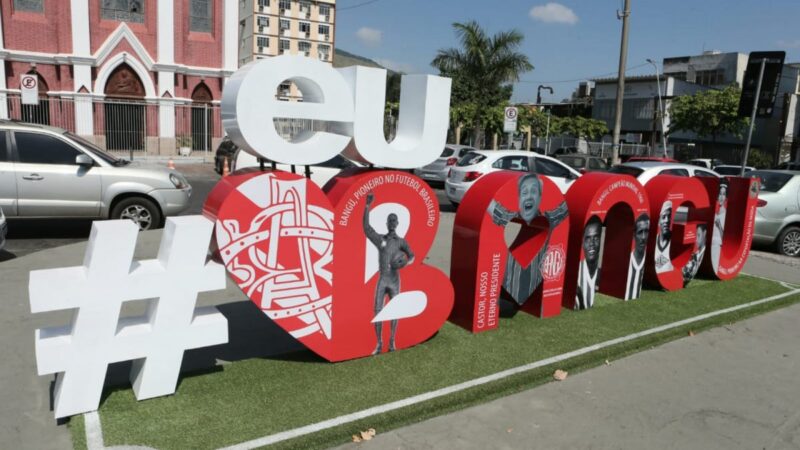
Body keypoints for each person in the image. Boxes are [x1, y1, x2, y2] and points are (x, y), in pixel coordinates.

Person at [486, 173, 569, 305]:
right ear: (519, 199)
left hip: (534, 294)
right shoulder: (511, 219)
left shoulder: (547, 220)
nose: (529, 196)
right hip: (509, 295)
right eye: (524, 192)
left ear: (540, 197)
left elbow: (565, 208)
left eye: (534, 191)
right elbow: (491, 206)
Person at [363, 193, 414, 354]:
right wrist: (367, 206)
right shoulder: (381, 240)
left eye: (394, 220)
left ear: (397, 223)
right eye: (389, 220)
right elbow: (367, 228)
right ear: (387, 223)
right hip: (382, 279)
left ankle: (392, 341)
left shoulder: (401, 241)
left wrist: (404, 263)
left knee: (395, 310)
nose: (392, 223)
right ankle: (379, 343)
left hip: (394, 280)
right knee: (377, 310)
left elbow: (412, 256)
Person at [576, 216, 602, 310]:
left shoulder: (602, 275)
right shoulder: (576, 274)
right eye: (588, 238)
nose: (592, 243)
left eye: (596, 238)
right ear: (582, 242)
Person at [626, 213, 650, 299]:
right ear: (634, 234)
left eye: (646, 231)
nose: (643, 237)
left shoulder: (649, 262)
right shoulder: (626, 262)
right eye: (640, 232)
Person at [710, 180, 728, 272]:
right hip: (710, 242)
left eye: (723, 194)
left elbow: (723, 236)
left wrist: (719, 226)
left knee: (714, 265)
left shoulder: (725, 213)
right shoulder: (715, 211)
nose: (721, 197)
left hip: (717, 244)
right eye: (720, 194)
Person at [654, 201, 674, 273]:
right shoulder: (654, 241)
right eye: (663, 217)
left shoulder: (675, 240)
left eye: (669, 217)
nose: (667, 220)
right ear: (659, 221)